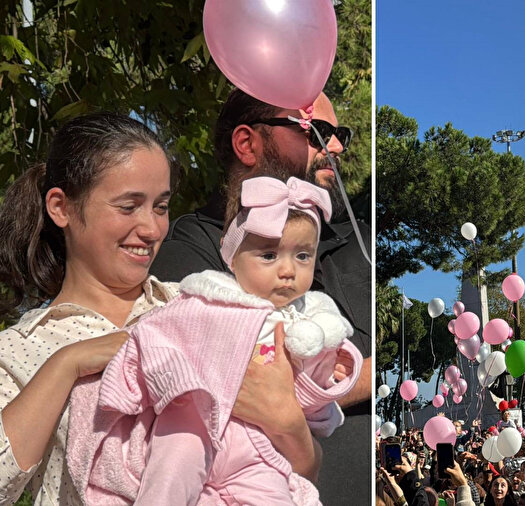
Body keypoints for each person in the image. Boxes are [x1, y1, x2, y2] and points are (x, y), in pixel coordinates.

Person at [0, 113, 314, 504]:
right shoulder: (18, 348)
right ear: (61, 207)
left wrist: (288, 422)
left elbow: (299, 468)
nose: (151, 229)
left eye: (161, 207)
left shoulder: (202, 306)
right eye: (129, 207)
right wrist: (67, 363)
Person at [66, 176, 363, 504]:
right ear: (233, 258)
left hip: (257, 449)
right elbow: (156, 336)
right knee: (171, 475)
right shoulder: (209, 297)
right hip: (195, 420)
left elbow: (307, 403)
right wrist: (141, 381)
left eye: (303, 256)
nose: (288, 270)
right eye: (268, 256)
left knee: (275, 496)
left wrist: (329, 374)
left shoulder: (313, 318)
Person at [150, 88, 372, 503]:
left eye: (341, 132)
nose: (336, 146)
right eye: (316, 131)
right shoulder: (192, 250)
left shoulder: (358, 241)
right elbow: (231, 378)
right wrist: (368, 375)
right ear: (247, 143)